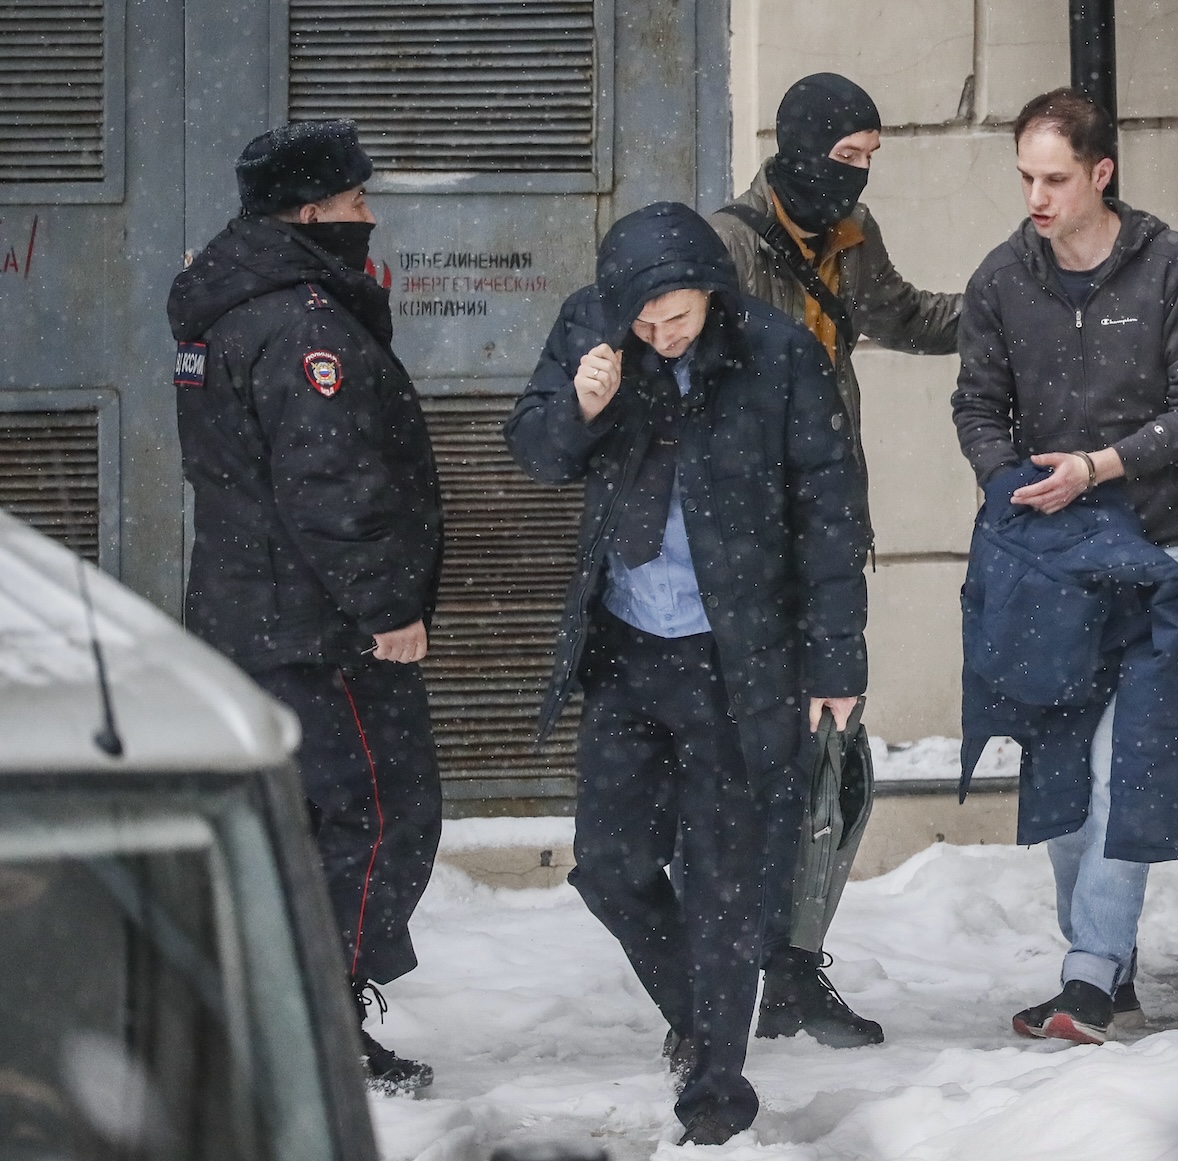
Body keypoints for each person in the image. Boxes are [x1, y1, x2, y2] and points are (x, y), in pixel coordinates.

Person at [503, 202, 869, 1146]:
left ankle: (716, 1089)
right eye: (649, 322)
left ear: (713, 292)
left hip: (736, 655)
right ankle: (706, 1011)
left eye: (682, 316)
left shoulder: (780, 355)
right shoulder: (594, 330)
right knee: (611, 866)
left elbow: (830, 511)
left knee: (723, 880)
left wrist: (836, 657)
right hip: (626, 648)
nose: (665, 335)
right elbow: (534, 448)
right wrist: (582, 406)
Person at [167, 119, 444, 1092]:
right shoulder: (302, 323)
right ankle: (320, 1033)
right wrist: (385, 605)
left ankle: (279, 1018)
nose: (371, 216)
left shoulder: (229, 308)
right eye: (360, 200)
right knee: (383, 815)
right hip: (319, 625)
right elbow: (329, 482)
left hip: (254, 615)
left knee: (305, 822)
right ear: (315, 210)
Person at [952, 88, 1178, 1043]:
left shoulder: (1173, 270)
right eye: (1026, 176)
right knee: (1066, 770)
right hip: (1051, 554)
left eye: (1055, 178)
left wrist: (1098, 467)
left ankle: (1088, 971)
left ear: (1100, 173)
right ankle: (1102, 967)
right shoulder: (1002, 280)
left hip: (1154, 544)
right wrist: (1011, 485)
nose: (1036, 195)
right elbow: (976, 405)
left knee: (1127, 767)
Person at [711, 71, 962, 1049]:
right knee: (740, 764)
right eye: (845, 159)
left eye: (869, 161)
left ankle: (792, 970)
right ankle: (718, 977)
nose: (857, 179)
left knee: (827, 761)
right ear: (802, 148)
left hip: (824, 535)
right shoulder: (725, 248)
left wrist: (1009, 308)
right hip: (739, 551)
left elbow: (900, 315)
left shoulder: (852, 241)